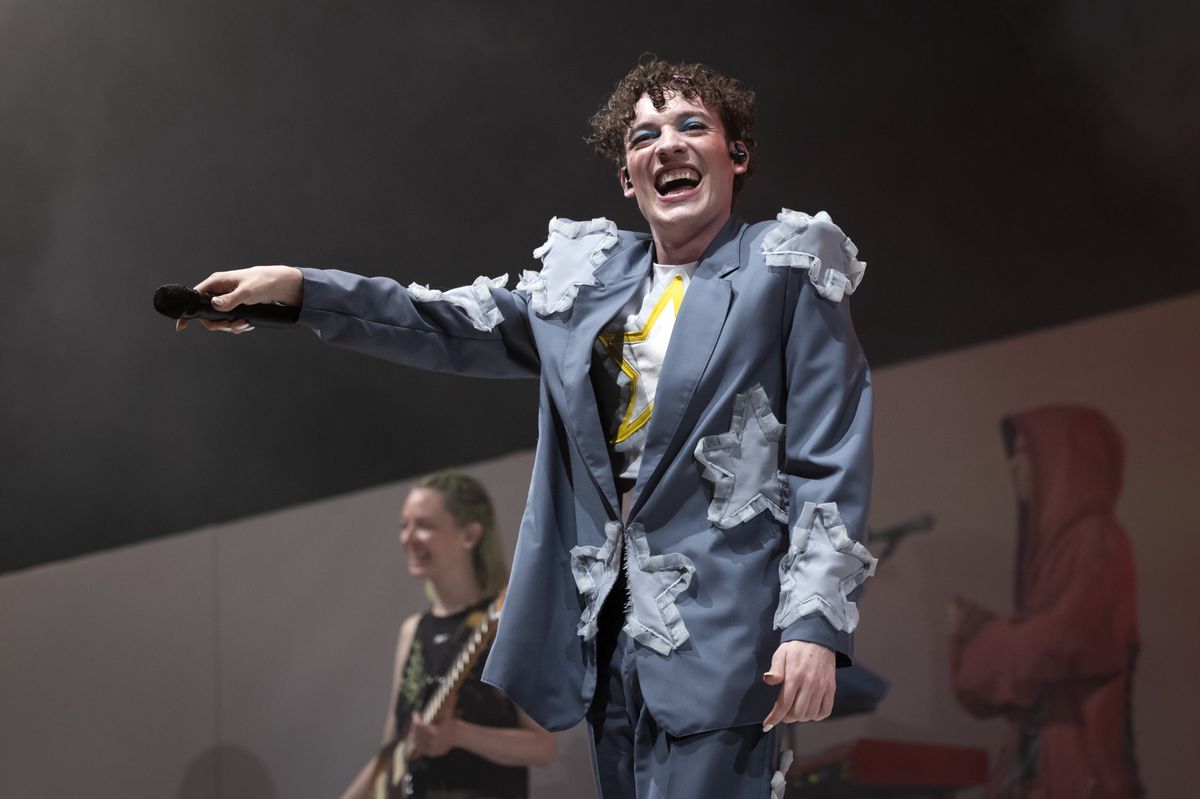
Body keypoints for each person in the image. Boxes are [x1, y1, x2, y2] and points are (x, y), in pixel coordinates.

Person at [178, 58, 875, 798]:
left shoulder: (785, 266)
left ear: (736, 156)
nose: (666, 143)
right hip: (608, 632)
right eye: (644, 136)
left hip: (728, 633)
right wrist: (299, 291)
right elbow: (440, 321)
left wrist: (813, 625)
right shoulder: (585, 287)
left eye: (691, 126)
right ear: (627, 177)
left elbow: (828, 457)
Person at [950, 406, 1141, 798]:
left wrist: (984, 638)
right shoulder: (1064, 550)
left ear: (1064, 457)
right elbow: (1033, 653)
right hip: (1041, 771)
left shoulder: (1098, 540)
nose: (1014, 466)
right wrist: (988, 633)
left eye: (1025, 451)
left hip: (1080, 774)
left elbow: (1064, 640)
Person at [339, 470, 555, 799]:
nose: (408, 537)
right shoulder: (412, 631)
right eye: (404, 525)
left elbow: (542, 745)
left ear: (469, 535)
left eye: (423, 525)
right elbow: (392, 747)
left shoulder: (504, 619)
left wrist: (458, 735)